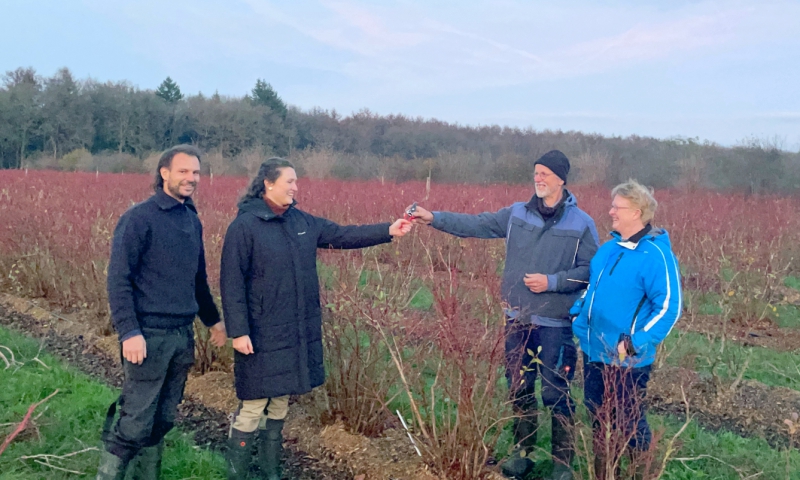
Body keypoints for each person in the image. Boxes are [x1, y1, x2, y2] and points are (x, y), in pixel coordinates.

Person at [409, 150, 599, 480]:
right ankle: (523, 454)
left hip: (556, 323)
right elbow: (476, 224)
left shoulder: (582, 223)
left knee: (555, 392)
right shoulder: (516, 215)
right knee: (519, 387)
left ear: (561, 179)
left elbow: (590, 270)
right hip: (517, 319)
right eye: (535, 172)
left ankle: (562, 463)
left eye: (545, 173)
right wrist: (433, 217)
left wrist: (552, 282)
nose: (538, 178)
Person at [220, 158, 412, 480]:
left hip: (292, 331)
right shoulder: (245, 226)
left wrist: (388, 231)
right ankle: (235, 473)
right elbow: (231, 283)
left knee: (280, 403)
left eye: (296, 181)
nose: (296, 187)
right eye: (290, 181)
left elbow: (343, 234)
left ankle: (271, 471)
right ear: (268, 183)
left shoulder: (302, 222)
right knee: (253, 405)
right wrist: (238, 332)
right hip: (260, 333)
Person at [97, 145, 227, 480]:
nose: (191, 178)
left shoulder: (191, 221)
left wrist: (213, 321)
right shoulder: (139, 218)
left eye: (196, 172)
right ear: (164, 173)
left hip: (181, 336)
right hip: (148, 336)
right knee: (135, 422)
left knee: (164, 418)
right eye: (183, 171)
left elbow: (198, 280)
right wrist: (129, 331)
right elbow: (118, 279)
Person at [571, 180, 682, 480]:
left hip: (626, 359)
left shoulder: (656, 256)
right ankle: (605, 474)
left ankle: (638, 473)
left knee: (629, 424)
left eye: (617, 207)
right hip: (593, 351)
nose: (611, 212)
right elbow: (591, 290)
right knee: (597, 418)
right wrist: (578, 317)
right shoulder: (608, 249)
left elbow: (669, 307)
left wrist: (634, 343)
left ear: (637, 211)